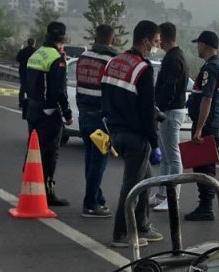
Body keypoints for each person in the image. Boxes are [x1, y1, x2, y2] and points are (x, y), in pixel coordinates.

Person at [102, 20, 164, 247]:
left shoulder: (114, 62)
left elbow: (107, 98)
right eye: (156, 42)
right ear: (146, 41)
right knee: (132, 188)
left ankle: (143, 226)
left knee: (146, 180)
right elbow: (146, 109)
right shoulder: (143, 69)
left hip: (115, 131)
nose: (156, 46)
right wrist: (154, 141)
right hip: (136, 136)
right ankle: (122, 234)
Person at [22, 23, 72, 207]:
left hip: (33, 108)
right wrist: (66, 113)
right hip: (49, 111)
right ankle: (48, 193)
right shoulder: (56, 58)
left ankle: (30, 186)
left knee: (33, 151)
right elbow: (59, 90)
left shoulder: (37, 53)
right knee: (50, 153)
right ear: (63, 38)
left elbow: (25, 80)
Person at [74, 26, 119, 217]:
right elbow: (113, 91)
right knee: (99, 162)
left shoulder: (83, 57)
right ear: (112, 39)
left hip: (84, 115)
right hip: (101, 119)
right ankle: (91, 204)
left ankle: (97, 198)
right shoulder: (110, 61)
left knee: (90, 160)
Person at [184, 30, 219, 222]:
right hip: (214, 122)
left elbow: (207, 99)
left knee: (204, 168)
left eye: (199, 44)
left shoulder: (210, 68)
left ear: (206, 46)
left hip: (208, 125)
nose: (197, 47)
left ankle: (206, 207)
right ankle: (205, 206)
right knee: (203, 165)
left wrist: (199, 128)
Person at [152, 21, 188, 211]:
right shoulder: (172, 57)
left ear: (164, 38)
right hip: (168, 111)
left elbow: (170, 88)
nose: (157, 43)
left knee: (173, 157)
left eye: (159, 39)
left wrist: (160, 110)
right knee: (165, 156)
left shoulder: (174, 59)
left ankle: (173, 198)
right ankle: (161, 194)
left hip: (171, 112)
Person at [15, 38, 37, 109]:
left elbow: (17, 59)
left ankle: (21, 103)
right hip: (31, 71)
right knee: (30, 87)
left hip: (22, 70)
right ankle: (29, 103)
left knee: (23, 86)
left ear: (27, 43)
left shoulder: (23, 51)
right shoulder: (36, 52)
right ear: (34, 43)